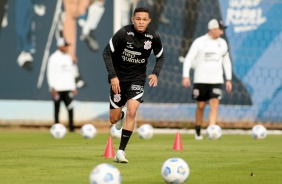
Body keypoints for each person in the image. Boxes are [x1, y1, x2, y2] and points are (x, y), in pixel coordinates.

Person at [103, 6, 165, 163]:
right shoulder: (123, 33)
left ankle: (121, 152)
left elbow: (160, 57)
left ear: (149, 21)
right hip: (118, 80)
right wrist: (113, 76)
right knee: (113, 119)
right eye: (138, 19)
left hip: (137, 79)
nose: (141, 22)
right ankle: (120, 116)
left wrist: (155, 73)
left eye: (144, 19)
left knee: (132, 111)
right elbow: (106, 52)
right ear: (133, 19)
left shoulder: (153, 37)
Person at [182, 19, 232, 140]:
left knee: (214, 104)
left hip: (217, 80)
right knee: (201, 105)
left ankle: (212, 131)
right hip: (201, 79)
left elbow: (226, 61)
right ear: (213, 29)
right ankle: (198, 130)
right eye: (220, 30)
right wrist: (186, 76)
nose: (221, 33)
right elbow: (188, 59)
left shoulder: (223, 43)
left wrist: (228, 79)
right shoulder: (199, 42)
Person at [47, 38, 77, 132]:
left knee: (70, 107)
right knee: (57, 108)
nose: (67, 47)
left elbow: (71, 73)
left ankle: (71, 127)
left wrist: (73, 87)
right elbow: (50, 73)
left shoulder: (68, 57)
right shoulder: (53, 58)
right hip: (58, 88)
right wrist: (52, 87)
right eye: (65, 45)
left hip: (67, 88)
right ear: (60, 46)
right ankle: (56, 127)